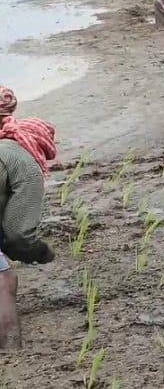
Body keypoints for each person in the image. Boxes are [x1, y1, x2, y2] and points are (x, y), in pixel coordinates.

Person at [0, 86, 56, 348]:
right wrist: (42, 253)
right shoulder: (24, 161)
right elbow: (18, 235)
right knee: (3, 279)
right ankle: (11, 350)